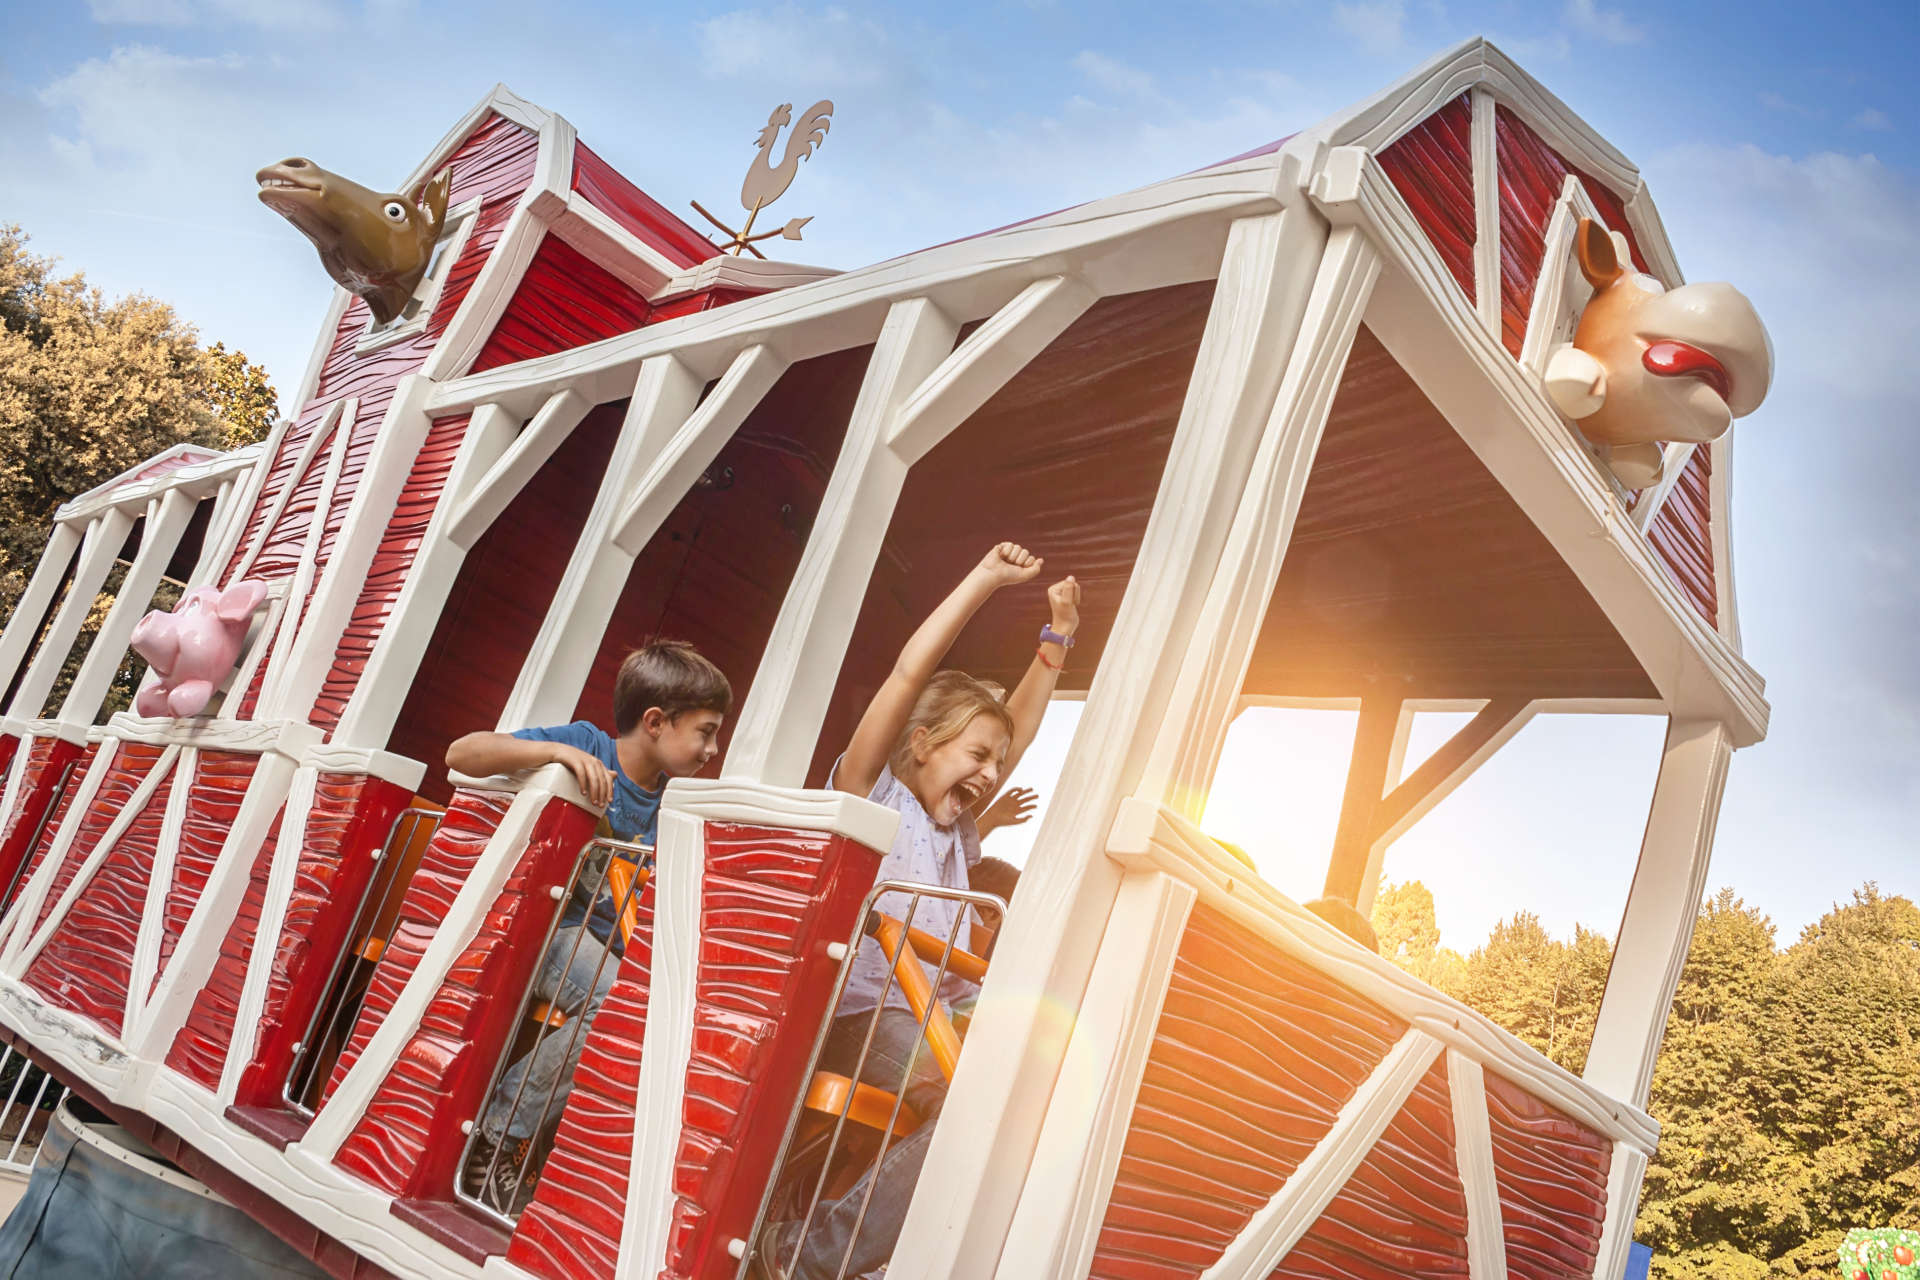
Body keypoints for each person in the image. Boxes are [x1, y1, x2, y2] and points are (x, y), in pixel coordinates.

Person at [756, 543, 1081, 1280]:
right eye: (977, 754)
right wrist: (985, 579)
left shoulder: (959, 834)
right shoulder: (876, 793)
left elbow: (1019, 730)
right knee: (977, 1104)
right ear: (924, 743)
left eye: (996, 762)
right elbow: (908, 675)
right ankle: (811, 1257)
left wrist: (1056, 639)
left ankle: (868, 1251)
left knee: (1025, 1098)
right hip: (862, 1016)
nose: (993, 773)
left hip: (929, 1019)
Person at [444, 640, 731, 1211]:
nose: (712, 748)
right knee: (616, 1005)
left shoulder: (676, 803)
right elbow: (461, 753)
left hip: (614, 941)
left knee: (668, 1017)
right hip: (550, 925)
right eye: (705, 731)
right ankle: (499, 1137)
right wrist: (553, 753)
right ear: (655, 722)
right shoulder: (586, 744)